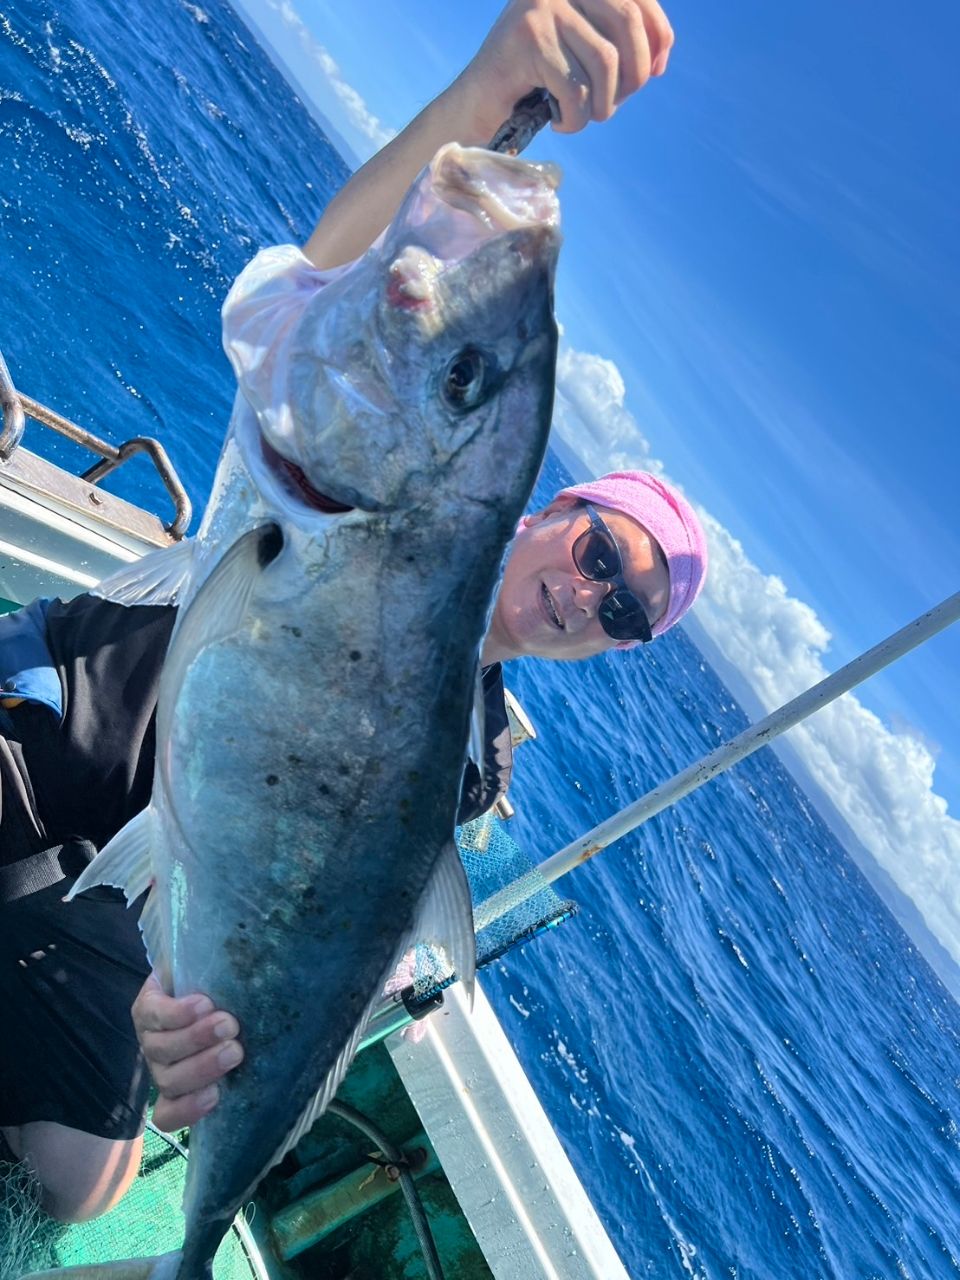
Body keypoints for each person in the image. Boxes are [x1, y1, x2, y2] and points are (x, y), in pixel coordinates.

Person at [0, 0, 704, 1226]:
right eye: (600, 549)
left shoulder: (471, 769)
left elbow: (326, 944)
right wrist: (491, 94)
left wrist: (194, 1040)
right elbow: (329, 277)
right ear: (541, 509)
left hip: (135, 882)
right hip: (58, 725)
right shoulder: (330, 476)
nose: (592, 591)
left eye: (627, 609)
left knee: (83, 1182)